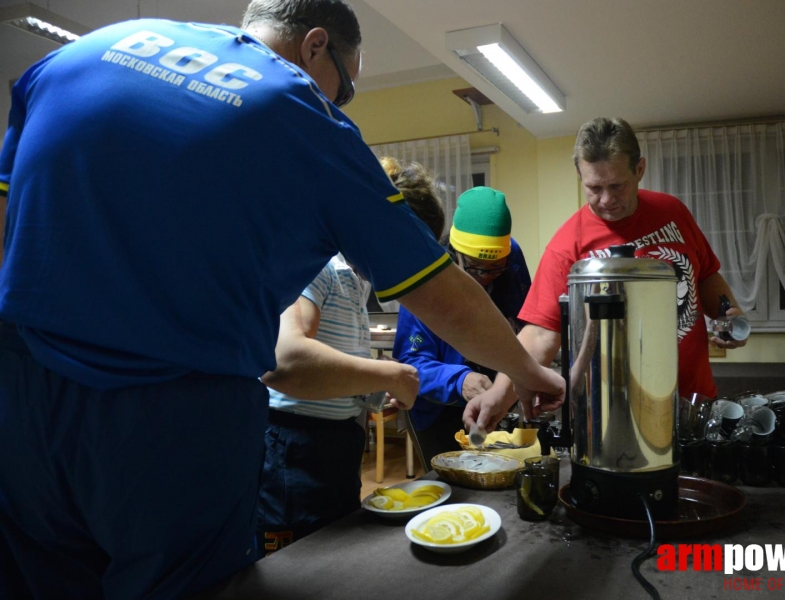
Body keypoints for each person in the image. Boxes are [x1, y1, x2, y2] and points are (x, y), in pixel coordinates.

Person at [0, 1, 564, 597]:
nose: (339, 104)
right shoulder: (300, 113)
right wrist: (525, 371)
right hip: (170, 410)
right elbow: (438, 288)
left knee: (42, 581)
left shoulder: (81, 53)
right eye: (344, 90)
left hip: (23, 391)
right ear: (314, 45)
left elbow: (9, 221)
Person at [464, 117, 746, 432]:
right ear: (579, 175)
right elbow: (541, 334)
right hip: (616, 416)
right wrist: (499, 396)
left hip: (692, 401)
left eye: (617, 185)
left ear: (639, 169)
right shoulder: (567, 245)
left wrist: (727, 311)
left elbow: (705, 275)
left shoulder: (673, 213)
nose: (607, 200)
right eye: (594, 188)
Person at [256, 157, 446, 556]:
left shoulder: (356, 279)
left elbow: (333, 376)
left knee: (335, 560)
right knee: (296, 567)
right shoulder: (319, 264)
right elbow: (284, 361)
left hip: (336, 448)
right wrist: (387, 374)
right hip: (294, 449)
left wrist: (374, 390)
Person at [392, 187, 532, 466]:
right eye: (477, 269)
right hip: (439, 408)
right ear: (455, 253)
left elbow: (526, 325)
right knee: (452, 486)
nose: (487, 278)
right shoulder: (426, 272)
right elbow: (410, 361)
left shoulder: (511, 256)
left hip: (497, 394)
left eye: (496, 269)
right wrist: (459, 380)